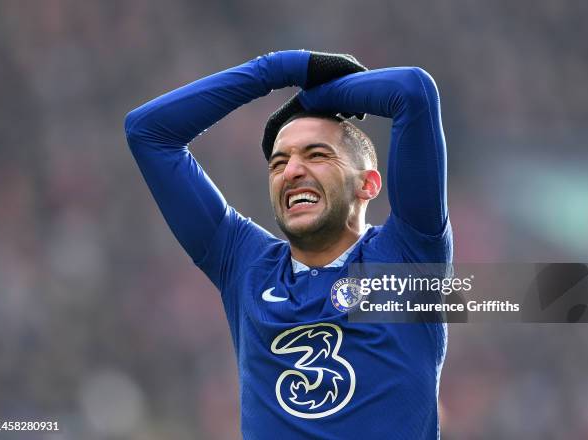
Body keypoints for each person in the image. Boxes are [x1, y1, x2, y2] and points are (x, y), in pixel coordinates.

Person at [124, 50, 452, 439]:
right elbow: (147, 132)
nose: (292, 171)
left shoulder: (408, 260)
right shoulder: (245, 265)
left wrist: (309, 99)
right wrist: (279, 69)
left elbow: (412, 92)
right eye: (278, 163)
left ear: (368, 185)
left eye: (316, 155)